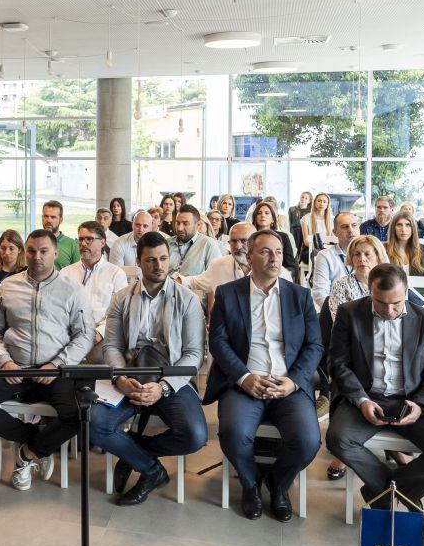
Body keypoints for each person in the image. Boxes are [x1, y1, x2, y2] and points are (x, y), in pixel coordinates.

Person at [326, 263, 424, 512]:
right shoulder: (350, 313)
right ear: (370, 292)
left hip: (411, 400)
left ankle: (383, 491)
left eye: (397, 303)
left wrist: (421, 405)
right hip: (366, 396)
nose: (389, 311)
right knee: (338, 439)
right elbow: (338, 364)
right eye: (380, 303)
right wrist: (361, 399)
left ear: (407, 292)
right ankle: (394, 490)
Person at [0, 230, 95, 490]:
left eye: (44, 251)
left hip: (56, 370)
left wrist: (56, 365)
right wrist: (4, 360)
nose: (37, 257)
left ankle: (28, 454)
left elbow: (85, 335)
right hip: (15, 367)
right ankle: (36, 442)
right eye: (32, 251)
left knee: (79, 415)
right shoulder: (9, 286)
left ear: (55, 253)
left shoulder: (72, 290)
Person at [210, 229, 322, 522]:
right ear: (249, 257)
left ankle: (278, 484)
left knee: (308, 440)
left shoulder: (300, 296)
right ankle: (250, 484)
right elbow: (218, 343)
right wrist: (245, 378)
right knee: (233, 433)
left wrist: (293, 381)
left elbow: (314, 345)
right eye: (266, 252)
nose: (275, 258)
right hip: (245, 381)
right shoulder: (227, 293)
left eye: (279, 252)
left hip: (288, 384)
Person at [95, 232, 210, 506]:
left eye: (163, 258)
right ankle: (151, 470)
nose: (159, 266)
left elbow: (195, 355)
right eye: (151, 260)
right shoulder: (122, 298)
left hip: (170, 376)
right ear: (139, 262)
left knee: (195, 435)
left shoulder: (188, 300)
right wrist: (121, 377)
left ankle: (133, 452)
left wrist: (163, 386)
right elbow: (111, 346)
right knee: (95, 424)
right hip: (131, 373)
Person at [70, 220, 128, 349]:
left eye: (89, 239)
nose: (83, 243)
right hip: (69, 337)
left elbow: (119, 314)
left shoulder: (116, 274)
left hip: (101, 337)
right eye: (80, 239)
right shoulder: (65, 273)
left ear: (103, 242)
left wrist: (98, 334)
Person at [308, 211, 360, 311]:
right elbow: (320, 293)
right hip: (335, 312)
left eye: (354, 225)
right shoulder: (325, 256)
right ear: (335, 232)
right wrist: (339, 314)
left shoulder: (370, 254)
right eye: (345, 227)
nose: (351, 230)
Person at [167, 203, 223, 281]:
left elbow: (216, 278)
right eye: (178, 223)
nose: (180, 228)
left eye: (185, 224)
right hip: (167, 291)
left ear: (197, 225)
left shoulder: (208, 244)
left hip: (194, 292)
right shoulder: (167, 244)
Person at [248, 199, 299, 273]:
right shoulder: (249, 237)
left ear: (273, 219)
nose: (263, 215)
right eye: (259, 213)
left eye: (266, 213)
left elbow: (290, 266)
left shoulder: (283, 237)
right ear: (255, 218)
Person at [40, 200, 77, 269]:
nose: (48, 220)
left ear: (61, 220)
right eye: (46, 216)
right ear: (42, 217)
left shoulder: (72, 245)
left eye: (53, 217)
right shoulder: (33, 242)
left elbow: (79, 273)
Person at [300, 192, 333, 260]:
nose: (321, 204)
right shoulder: (305, 219)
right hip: (310, 249)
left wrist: (325, 248)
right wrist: (319, 247)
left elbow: (333, 238)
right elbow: (306, 240)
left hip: (327, 250)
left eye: (324, 202)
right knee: (322, 257)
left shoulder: (331, 220)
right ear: (314, 202)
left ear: (327, 204)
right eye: (319, 201)